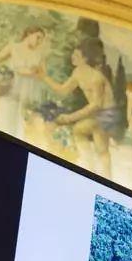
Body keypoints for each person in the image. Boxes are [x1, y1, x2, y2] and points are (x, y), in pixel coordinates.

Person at [42, 37, 120, 178]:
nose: (72, 57)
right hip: (96, 113)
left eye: (76, 56)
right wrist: (43, 76)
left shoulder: (96, 78)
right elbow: (63, 90)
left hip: (107, 114)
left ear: (85, 59)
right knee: (80, 131)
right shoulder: (78, 72)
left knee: (99, 146)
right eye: (73, 54)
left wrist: (70, 118)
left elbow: (96, 105)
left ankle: (106, 177)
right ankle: (88, 166)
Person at [0, 25, 49, 138]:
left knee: (19, 123)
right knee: (4, 117)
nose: (39, 41)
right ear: (29, 34)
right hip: (10, 88)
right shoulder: (13, 47)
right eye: (37, 37)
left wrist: (35, 72)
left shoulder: (39, 54)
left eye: (41, 39)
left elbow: (43, 75)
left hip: (26, 91)